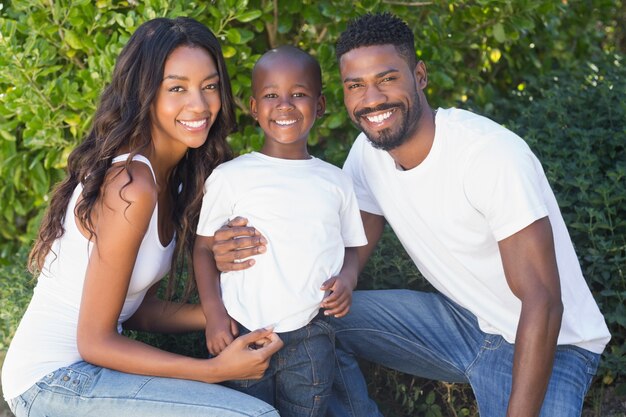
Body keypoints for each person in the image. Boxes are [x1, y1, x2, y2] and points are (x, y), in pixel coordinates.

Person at [209, 13, 611, 417]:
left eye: (387, 79)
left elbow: (543, 302)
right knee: (316, 318)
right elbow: (333, 244)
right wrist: (228, 249)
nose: (372, 99)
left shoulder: (489, 155)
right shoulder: (368, 156)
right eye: (356, 85)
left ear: (419, 75)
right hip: (463, 323)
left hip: (553, 342)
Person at [1, 17, 284, 417]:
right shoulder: (131, 186)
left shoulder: (175, 180)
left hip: (87, 372)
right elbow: (95, 341)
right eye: (177, 88)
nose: (199, 105)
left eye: (210, 86)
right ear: (144, 94)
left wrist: (230, 311)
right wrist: (212, 371)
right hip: (53, 380)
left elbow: (135, 309)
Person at [193, 46, 367, 417]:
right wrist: (214, 314)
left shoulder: (336, 181)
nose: (285, 105)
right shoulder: (231, 177)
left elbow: (351, 246)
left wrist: (349, 279)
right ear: (255, 108)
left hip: (311, 332)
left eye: (298, 94)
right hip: (242, 329)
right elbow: (203, 250)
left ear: (319, 106)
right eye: (271, 95)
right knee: (247, 411)